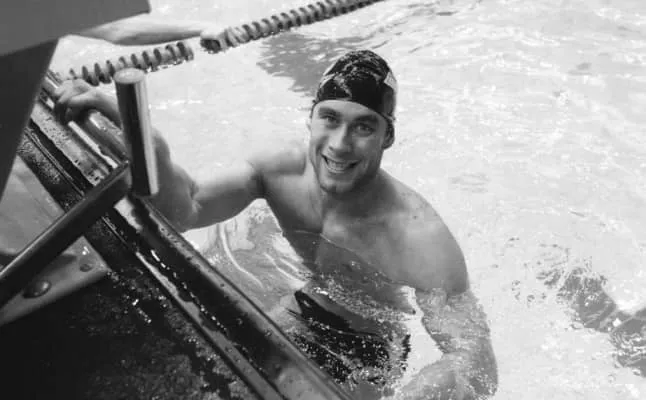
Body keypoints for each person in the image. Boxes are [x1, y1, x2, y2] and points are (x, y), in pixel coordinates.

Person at [53, 50, 498, 399]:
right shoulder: (280, 172)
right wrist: (150, 145)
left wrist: (417, 394)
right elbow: (187, 208)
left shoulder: (418, 237)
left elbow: (475, 361)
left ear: (389, 137)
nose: (340, 144)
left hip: (370, 346)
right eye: (330, 118)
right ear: (310, 117)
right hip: (306, 303)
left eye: (364, 127)